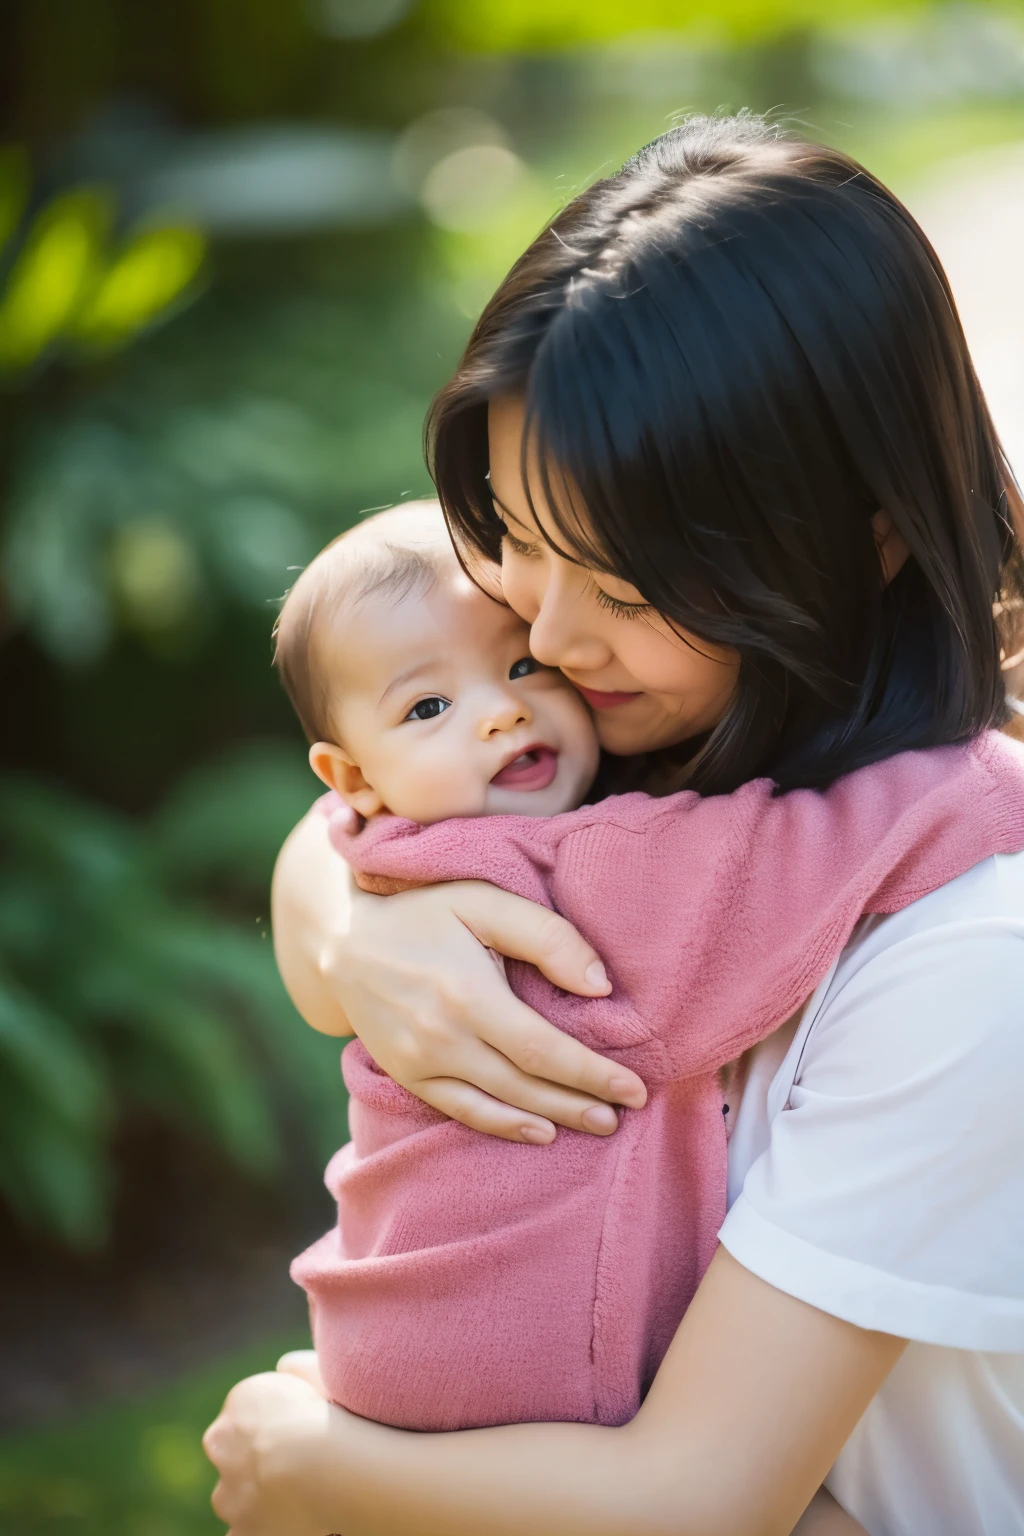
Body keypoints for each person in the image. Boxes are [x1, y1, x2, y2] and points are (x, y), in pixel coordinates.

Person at [204, 114, 1024, 1535]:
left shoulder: (968, 955)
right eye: (520, 541)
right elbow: (355, 830)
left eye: (632, 591)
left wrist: (308, 1461)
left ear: (867, 534)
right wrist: (357, 922)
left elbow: (701, 1499)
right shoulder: (658, 743)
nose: (550, 637)